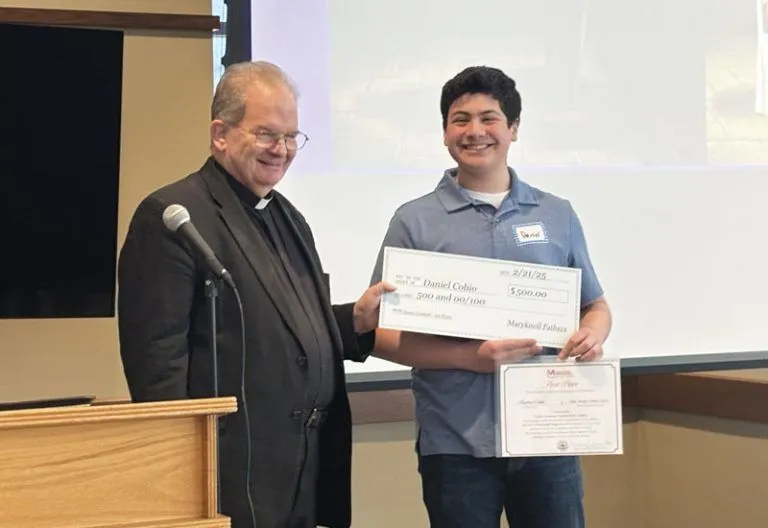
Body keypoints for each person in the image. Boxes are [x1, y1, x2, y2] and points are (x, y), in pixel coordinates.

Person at [117, 61, 393, 528]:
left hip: (303, 471)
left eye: (292, 137)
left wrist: (354, 322)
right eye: (267, 134)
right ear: (220, 133)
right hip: (230, 477)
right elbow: (157, 370)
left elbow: (282, 326)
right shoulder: (172, 217)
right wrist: (183, 483)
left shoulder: (289, 217)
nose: (282, 150)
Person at [369, 66, 612, 528]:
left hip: (548, 436)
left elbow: (594, 306)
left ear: (513, 129)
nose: (475, 131)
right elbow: (380, 335)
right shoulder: (414, 221)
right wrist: (470, 357)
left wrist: (591, 335)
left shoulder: (557, 214)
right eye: (460, 119)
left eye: (490, 118)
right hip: (455, 443)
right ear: (444, 133)